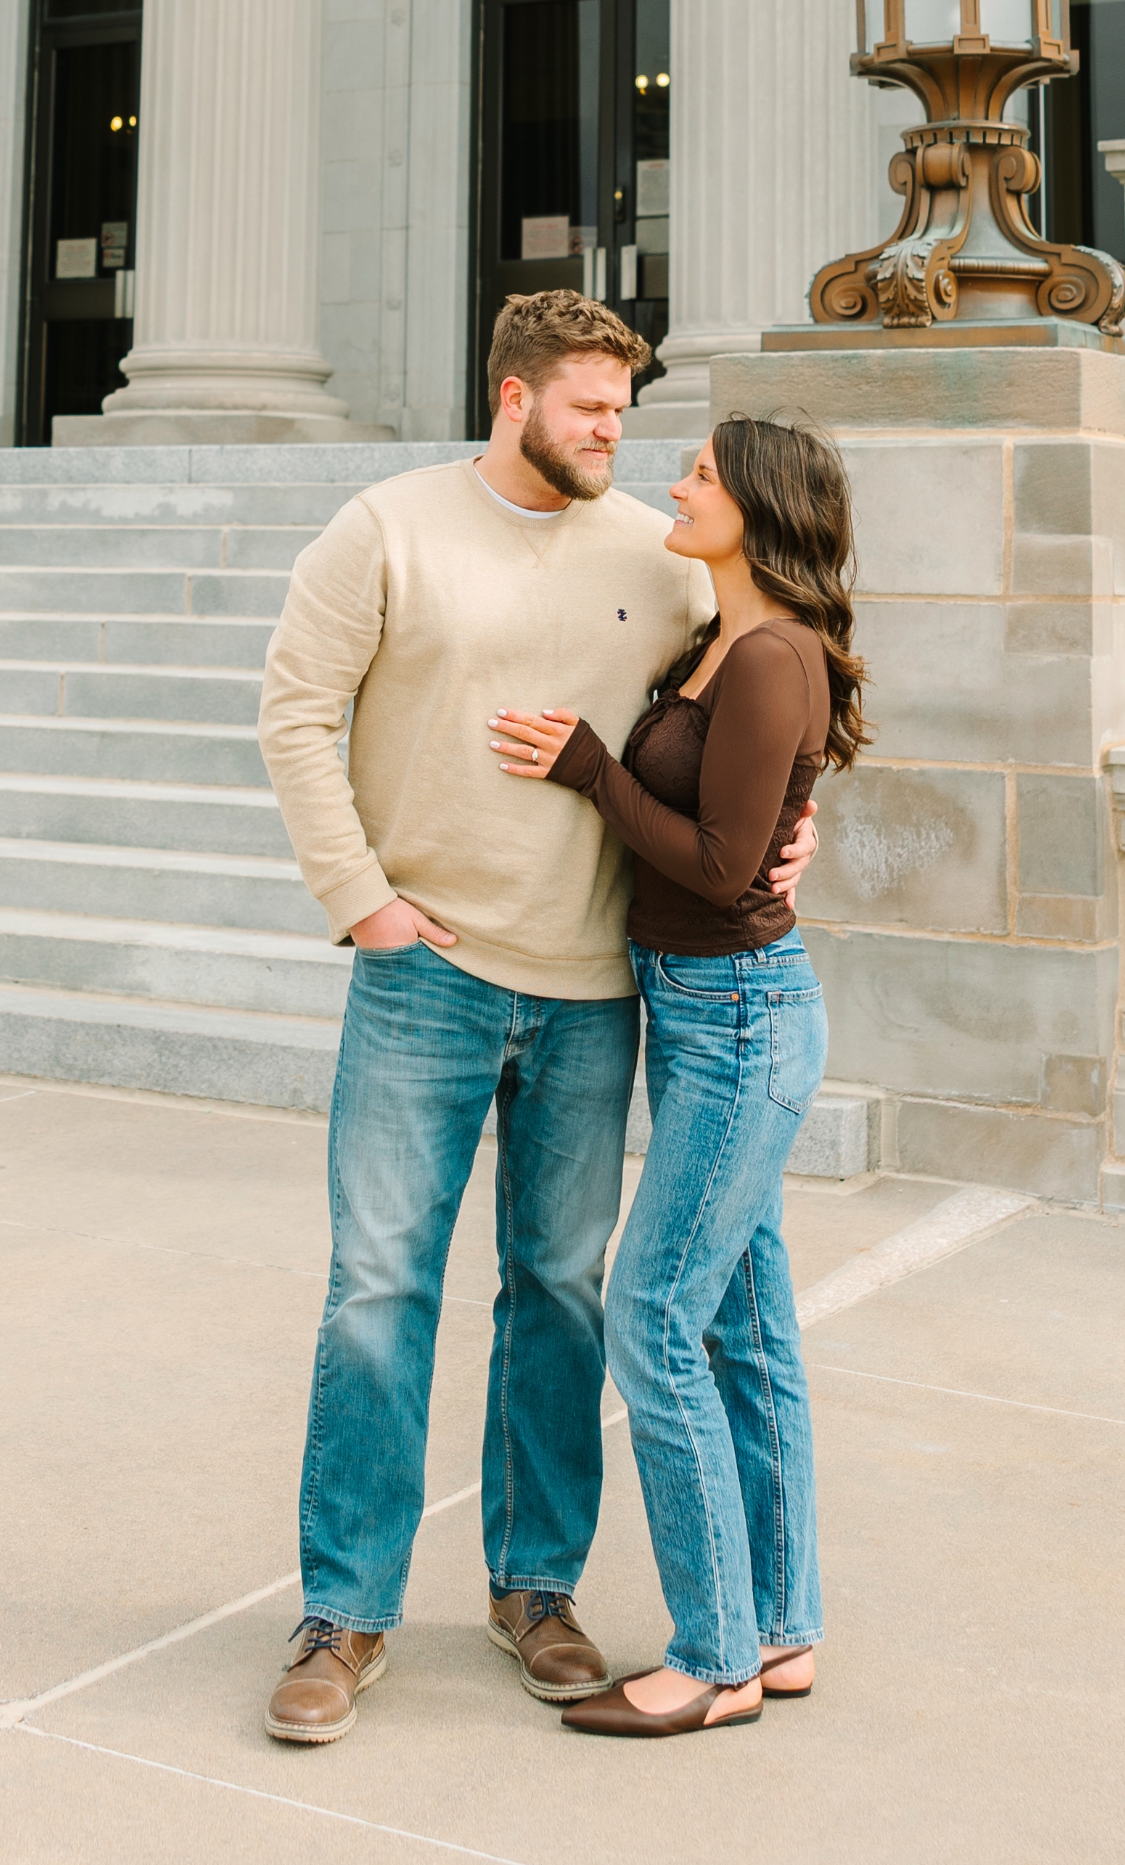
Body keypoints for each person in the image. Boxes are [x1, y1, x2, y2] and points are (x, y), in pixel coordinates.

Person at [256, 294, 818, 1744]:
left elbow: (773, 682)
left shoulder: (660, 552)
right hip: (424, 976)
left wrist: (798, 829)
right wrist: (362, 897)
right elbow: (293, 712)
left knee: (560, 1295)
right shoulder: (385, 528)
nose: (614, 435)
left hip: (594, 992)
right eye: (590, 409)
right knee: (379, 1293)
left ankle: (535, 1591)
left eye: (625, 413)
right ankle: (346, 1612)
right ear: (513, 398)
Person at [487, 413, 869, 1739]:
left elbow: (719, 864)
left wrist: (590, 765)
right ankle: (779, 1624)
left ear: (759, 503)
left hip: (739, 1019)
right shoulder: (721, 638)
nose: (677, 484)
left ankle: (711, 1660)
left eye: (701, 473)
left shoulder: (769, 658)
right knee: (743, 1330)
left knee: (651, 1313)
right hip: (707, 1012)